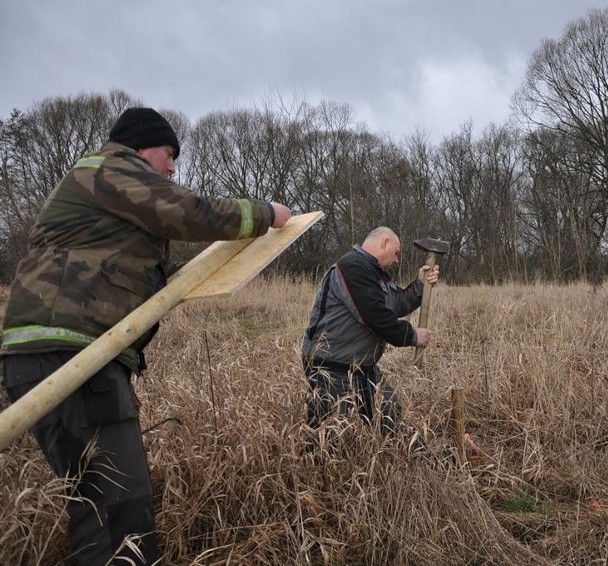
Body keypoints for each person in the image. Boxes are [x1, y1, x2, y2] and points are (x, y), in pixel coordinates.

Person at [0, 107, 291, 564]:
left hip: (62, 352)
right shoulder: (110, 169)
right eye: (169, 153)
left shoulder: (107, 201)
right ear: (141, 146)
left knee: (101, 503)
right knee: (120, 512)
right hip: (69, 352)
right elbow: (186, 212)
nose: (174, 166)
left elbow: (134, 271)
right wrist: (265, 213)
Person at [302, 226, 439, 434]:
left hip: (361, 366)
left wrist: (420, 284)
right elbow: (374, 316)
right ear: (383, 243)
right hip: (332, 367)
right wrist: (411, 335)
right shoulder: (352, 267)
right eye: (396, 253)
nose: (397, 260)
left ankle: (390, 459)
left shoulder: (375, 274)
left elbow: (397, 303)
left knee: (389, 411)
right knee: (329, 435)